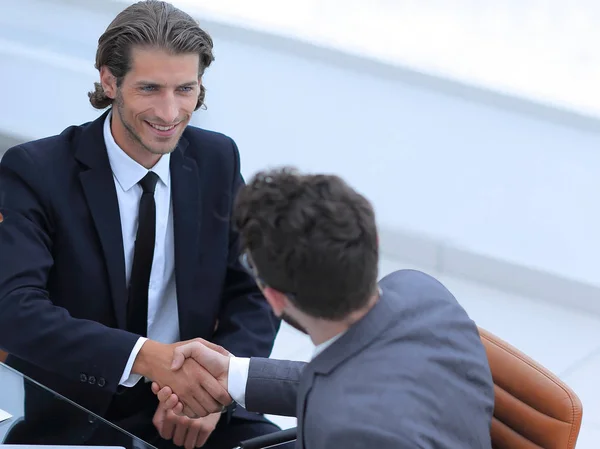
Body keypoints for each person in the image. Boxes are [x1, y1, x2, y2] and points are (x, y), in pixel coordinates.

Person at [0, 1, 283, 448]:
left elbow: (252, 292)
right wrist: (149, 359)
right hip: (73, 412)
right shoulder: (36, 171)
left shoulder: (217, 159)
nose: (170, 113)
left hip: (196, 406)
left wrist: (218, 390)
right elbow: (13, 310)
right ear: (109, 80)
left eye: (185, 89)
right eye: (150, 89)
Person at [155, 168, 496, 448]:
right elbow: (359, 374)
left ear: (273, 298)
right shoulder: (421, 292)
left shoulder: (346, 432)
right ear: (372, 242)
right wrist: (235, 376)